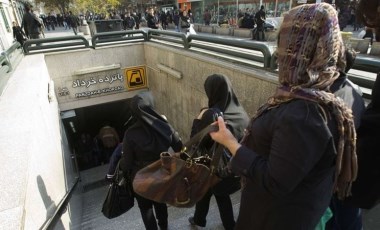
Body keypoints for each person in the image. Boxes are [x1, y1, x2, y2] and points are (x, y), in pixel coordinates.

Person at [208, 3, 357, 229]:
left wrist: (229, 142)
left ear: (297, 50)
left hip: (275, 218)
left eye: (284, 43)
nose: (278, 54)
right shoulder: (329, 91)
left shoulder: (303, 113)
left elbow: (275, 181)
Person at [188, 74, 249, 230]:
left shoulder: (212, 115)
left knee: (216, 194)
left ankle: (224, 225)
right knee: (211, 192)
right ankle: (199, 219)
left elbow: (195, 142)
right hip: (237, 167)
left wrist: (198, 118)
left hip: (217, 170)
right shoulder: (241, 112)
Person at [120, 92, 183, 230]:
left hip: (139, 177)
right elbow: (180, 148)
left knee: (145, 208)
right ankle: (164, 227)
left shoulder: (130, 133)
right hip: (161, 173)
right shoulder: (165, 126)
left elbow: (128, 163)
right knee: (160, 202)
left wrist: (121, 167)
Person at [325, 49, 366, 230]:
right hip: (352, 167)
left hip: (334, 173)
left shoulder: (328, 96)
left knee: (335, 218)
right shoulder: (355, 89)